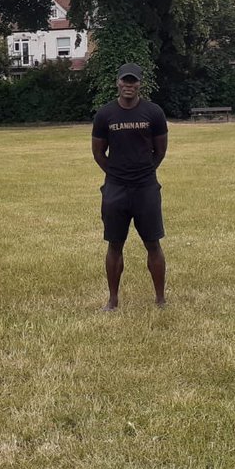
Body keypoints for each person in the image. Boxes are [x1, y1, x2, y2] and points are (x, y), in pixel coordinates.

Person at [91, 63, 169, 310]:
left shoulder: (153, 112)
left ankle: (160, 299)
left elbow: (161, 150)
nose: (128, 85)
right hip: (116, 189)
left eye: (133, 81)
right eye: (125, 81)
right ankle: (113, 301)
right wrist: (116, 174)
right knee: (114, 244)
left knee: (153, 243)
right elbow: (98, 152)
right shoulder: (105, 115)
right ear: (117, 82)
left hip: (146, 188)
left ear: (139, 84)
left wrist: (144, 172)